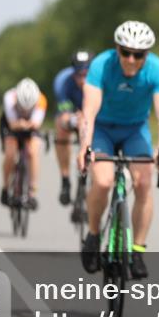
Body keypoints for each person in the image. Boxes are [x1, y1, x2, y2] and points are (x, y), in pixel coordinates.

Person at [77, 20, 159, 280]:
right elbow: (89, 111)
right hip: (103, 129)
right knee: (103, 181)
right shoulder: (102, 65)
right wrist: (85, 146)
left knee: (143, 182)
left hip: (135, 130)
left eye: (138, 54)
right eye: (126, 52)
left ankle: (137, 250)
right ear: (117, 49)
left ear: (147, 55)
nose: (131, 59)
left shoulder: (157, 70)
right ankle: (93, 235)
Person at [0, 78, 47, 209]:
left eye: (29, 108)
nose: (25, 111)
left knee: (33, 152)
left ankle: (32, 192)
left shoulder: (42, 100)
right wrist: (21, 124)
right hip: (10, 124)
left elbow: (36, 124)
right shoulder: (9, 97)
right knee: (10, 154)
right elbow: (12, 124)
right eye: (22, 107)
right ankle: (5, 187)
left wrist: (25, 124)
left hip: (29, 126)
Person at [53, 49, 94, 205]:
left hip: (91, 119)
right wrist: (73, 120)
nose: (82, 80)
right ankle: (65, 180)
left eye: (86, 75)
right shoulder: (63, 82)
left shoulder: (100, 81)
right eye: (78, 75)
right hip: (72, 116)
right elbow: (64, 115)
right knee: (60, 128)